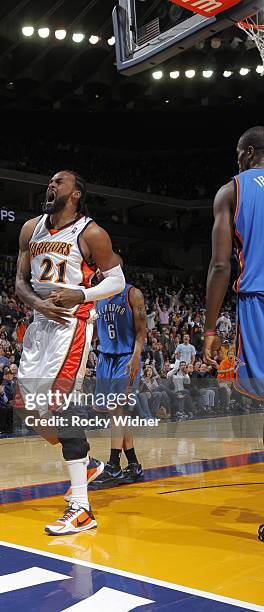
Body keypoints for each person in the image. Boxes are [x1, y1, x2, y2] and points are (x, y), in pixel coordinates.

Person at [15, 169, 125, 535]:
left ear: (76, 193)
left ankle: (82, 509)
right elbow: (19, 281)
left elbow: (117, 280)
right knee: (32, 412)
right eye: (50, 181)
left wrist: (83, 294)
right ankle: (88, 463)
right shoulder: (31, 228)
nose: (51, 185)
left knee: (62, 408)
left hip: (71, 327)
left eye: (59, 182)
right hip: (39, 325)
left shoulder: (91, 232)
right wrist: (38, 304)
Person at [203, 126, 264, 542]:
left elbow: (221, 266)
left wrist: (210, 327)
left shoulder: (232, 192)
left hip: (258, 301)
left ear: (247, 153)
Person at [84, 278, 146, 489]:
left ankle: (113, 466)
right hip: (105, 358)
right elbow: (92, 330)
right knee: (117, 415)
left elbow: (141, 331)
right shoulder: (97, 295)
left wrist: (135, 358)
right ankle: (134, 465)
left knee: (116, 411)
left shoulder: (132, 294)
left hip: (125, 358)